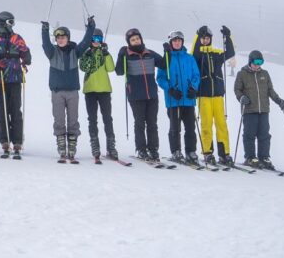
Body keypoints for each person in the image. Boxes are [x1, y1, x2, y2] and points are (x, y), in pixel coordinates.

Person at [42, 17, 95, 163]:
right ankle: (61, 147)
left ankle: (72, 147)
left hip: (72, 92)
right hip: (57, 92)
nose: (60, 40)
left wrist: (91, 27)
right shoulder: (52, 52)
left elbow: (86, 42)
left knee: (73, 120)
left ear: (68, 38)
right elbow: (46, 44)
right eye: (58, 38)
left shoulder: (75, 51)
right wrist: (45, 30)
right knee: (59, 120)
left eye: (63, 37)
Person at [113, 29, 163, 164]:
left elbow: (164, 64)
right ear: (129, 42)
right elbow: (119, 71)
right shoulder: (127, 55)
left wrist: (168, 52)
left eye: (137, 38)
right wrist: (120, 55)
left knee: (152, 123)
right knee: (140, 123)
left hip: (152, 95)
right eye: (132, 40)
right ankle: (141, 149)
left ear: (141, 39)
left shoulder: (150, 53)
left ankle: (153, 150)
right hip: (135, 95)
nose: (136, 41)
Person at [233, 49, 284, 170]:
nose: (258, 65)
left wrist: (279, 101)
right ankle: (250, 158)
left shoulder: (265, 74)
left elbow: (270, 90)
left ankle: (264, 157)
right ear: (250, 61)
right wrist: (241, 97)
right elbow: (237, 89)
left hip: (263, 109)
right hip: (249, 110)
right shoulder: (242, 74)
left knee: (264, 135)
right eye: (256, 62)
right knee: (249, 134)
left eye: (260, 62)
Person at [156, 30, 202, 165]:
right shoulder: (167, 58)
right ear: (171, 43)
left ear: (182, 42)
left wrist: (193, 88)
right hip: (173, 100)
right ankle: (176, 151)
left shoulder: (189, 58)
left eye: (179, 41)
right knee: (175, 128)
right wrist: (170, 89)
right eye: (174, 41)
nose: (177, 43)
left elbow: (196, 75)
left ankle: (191, 151)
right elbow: (160, 78)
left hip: (188, 99)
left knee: (190, 128)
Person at [0, 12, 32, 159]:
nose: (12, 25)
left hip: (15, 78)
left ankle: (17, 141)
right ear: (2, 23)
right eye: (10, 22)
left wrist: (26, 59)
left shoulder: (17, 38)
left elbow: (25, 52)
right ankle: (5, 140)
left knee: (15, 110)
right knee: (3, 110)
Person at [193, 25, 236, 167]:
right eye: (203, 38)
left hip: (218, 95)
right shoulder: (197, 55)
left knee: (221, 125)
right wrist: (197, 35)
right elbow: (194, 51)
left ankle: (224, 154)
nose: (205, 40)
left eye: (207, 38)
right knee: (206, 125)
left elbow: (230, 52)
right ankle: (208, 153)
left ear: (210, 39)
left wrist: (227, 36)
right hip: (204, 96)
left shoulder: (216, 54)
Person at [78, 29, 120, 162]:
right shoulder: (86, 52)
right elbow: (83, 67)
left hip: (104, 90)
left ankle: (111, 147)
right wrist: (89, 54)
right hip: (90, 90)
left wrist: (106, 53)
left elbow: (111, 68)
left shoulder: (104, 52)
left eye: (99, 39)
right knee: (92, 119)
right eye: (94, 39)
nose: (97, 41)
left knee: (107, 118)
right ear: (90, 40)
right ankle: (95, 146)